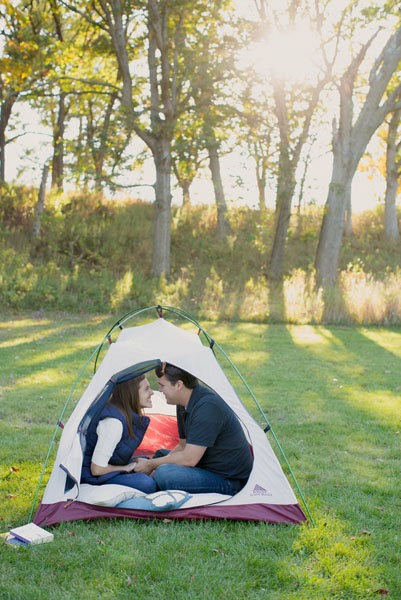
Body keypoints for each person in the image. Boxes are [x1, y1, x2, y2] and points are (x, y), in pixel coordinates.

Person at [133, 363, 253, 495]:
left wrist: (152, 465)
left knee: (164, 473)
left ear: (179, 385)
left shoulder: (208, 406)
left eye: (162, 385)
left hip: (227, 481)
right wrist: (154, 464)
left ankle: (148, 479)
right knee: (161, 455)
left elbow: (189, 459)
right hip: (204, 465)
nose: (159, 390)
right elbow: (182, 445)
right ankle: (140, 475)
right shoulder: (183, 403)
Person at [80, 374, 157, 494]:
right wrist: (127, 468)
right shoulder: (113, 423)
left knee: (147, 462)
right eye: (146, 389)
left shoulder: (124, 413)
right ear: (131, 393)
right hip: (90, 476)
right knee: (146, 484)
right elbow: (97, 469)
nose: (152, 392)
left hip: (107, 466)